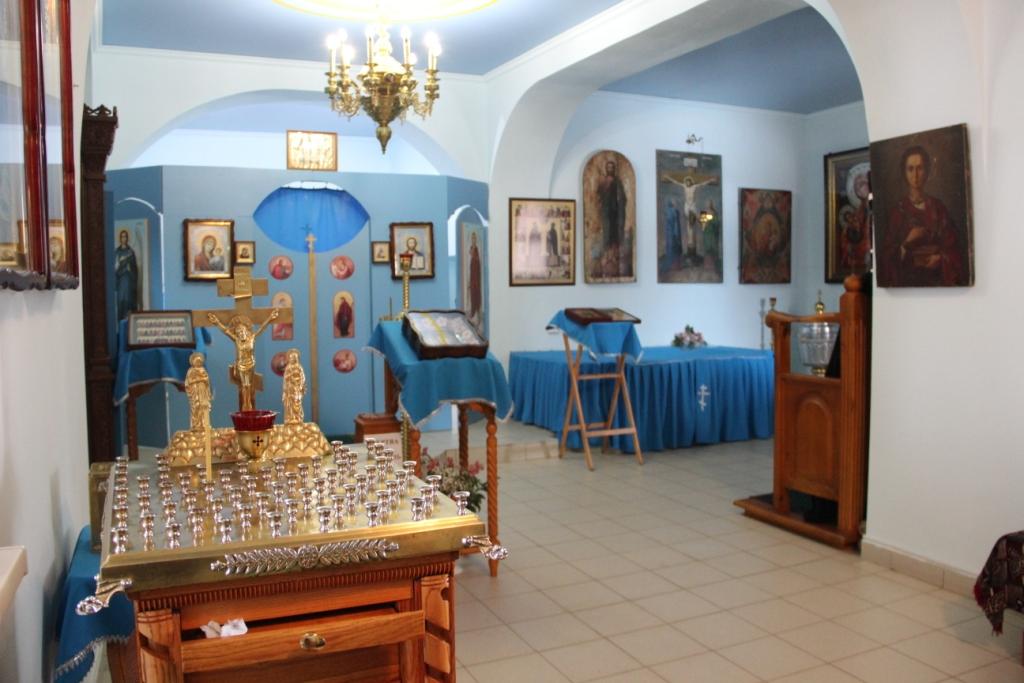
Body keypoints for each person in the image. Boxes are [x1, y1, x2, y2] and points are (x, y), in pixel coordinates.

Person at [880, 145, 965, 286]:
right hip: (906, 286)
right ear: (904, 173)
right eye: (910, 169)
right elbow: (886, 259)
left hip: (938, 284)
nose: (915, 175)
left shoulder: (938, 208)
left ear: (927, 171)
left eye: (920, 168)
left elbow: (953, 249)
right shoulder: (897, 212)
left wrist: (940, 258)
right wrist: (907, 242)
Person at [207, 309, 279, 411]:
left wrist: (270, 318)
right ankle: (246, 405)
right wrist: (216, 322)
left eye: (242, 331)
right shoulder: (237, 340)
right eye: (238, 332)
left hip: (251, 364)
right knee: (244, 385)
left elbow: (262, 328)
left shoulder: (252, 338)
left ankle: (250, 404)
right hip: (241, 365)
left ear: (246, 331)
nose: (241, 333)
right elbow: (226, 331)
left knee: (250, 385)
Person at [597, 159, 627, 267]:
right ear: (606, 169)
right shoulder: (603, 181)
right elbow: (599, 195)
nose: (610, 169)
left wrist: (620, 204)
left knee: (615, 234)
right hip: (606, 211)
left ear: (614, 169)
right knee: (607, 234)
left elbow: (623, 197)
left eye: (612, 167)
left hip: (615, 212)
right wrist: (606, 186)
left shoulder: (618, 181)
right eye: (608, 167)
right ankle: (607, 256)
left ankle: (615, 256)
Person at [114, 229, 139, 320]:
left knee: (128, 302)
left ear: (127, 238)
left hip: (129, 282)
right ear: (120, 238)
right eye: (122, 237)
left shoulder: (131, 252)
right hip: (120, 283)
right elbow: (114, 269)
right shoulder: (117, 252)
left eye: (125, 237)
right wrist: (119, 266)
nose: (123, 238)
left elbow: (135, 269)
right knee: (121, 302)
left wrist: (129, 269)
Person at [184, 352, 211, 433]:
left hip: (202, 390)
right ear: (193, 362)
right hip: (195, 390)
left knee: (203, 406)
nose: (198, 363)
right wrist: (200, 379)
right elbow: (189, 381)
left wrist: (203, 380)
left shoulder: (203, 370)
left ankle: (204, 424)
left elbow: (207, 380)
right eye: (197, 361)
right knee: (196, 406)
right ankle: (196, 425)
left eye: (200, 362)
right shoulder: (191, 371)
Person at [282, 348, 306, 424]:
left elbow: (303, 377)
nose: (293, 359)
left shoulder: (299, 367)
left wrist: (301, 385)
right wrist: (290, 376)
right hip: (290, 388)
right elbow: (285, 378)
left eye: (294, 358)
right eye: (291, 358)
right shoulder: (288, 368)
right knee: (290, 403)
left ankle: (298, 417)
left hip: (297, 388)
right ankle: (290, 417)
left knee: (297, 402)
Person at [467, 231, 482, 325]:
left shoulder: (476, 249)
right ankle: (472, 314)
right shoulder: (470, 249)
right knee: (472, 295)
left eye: (475, 238)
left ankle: (477, 316)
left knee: (477, 296)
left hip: (476, 277)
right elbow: (469, 264)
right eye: (472, 238)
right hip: (471, 277)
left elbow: (478, 264)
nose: (473, 240)